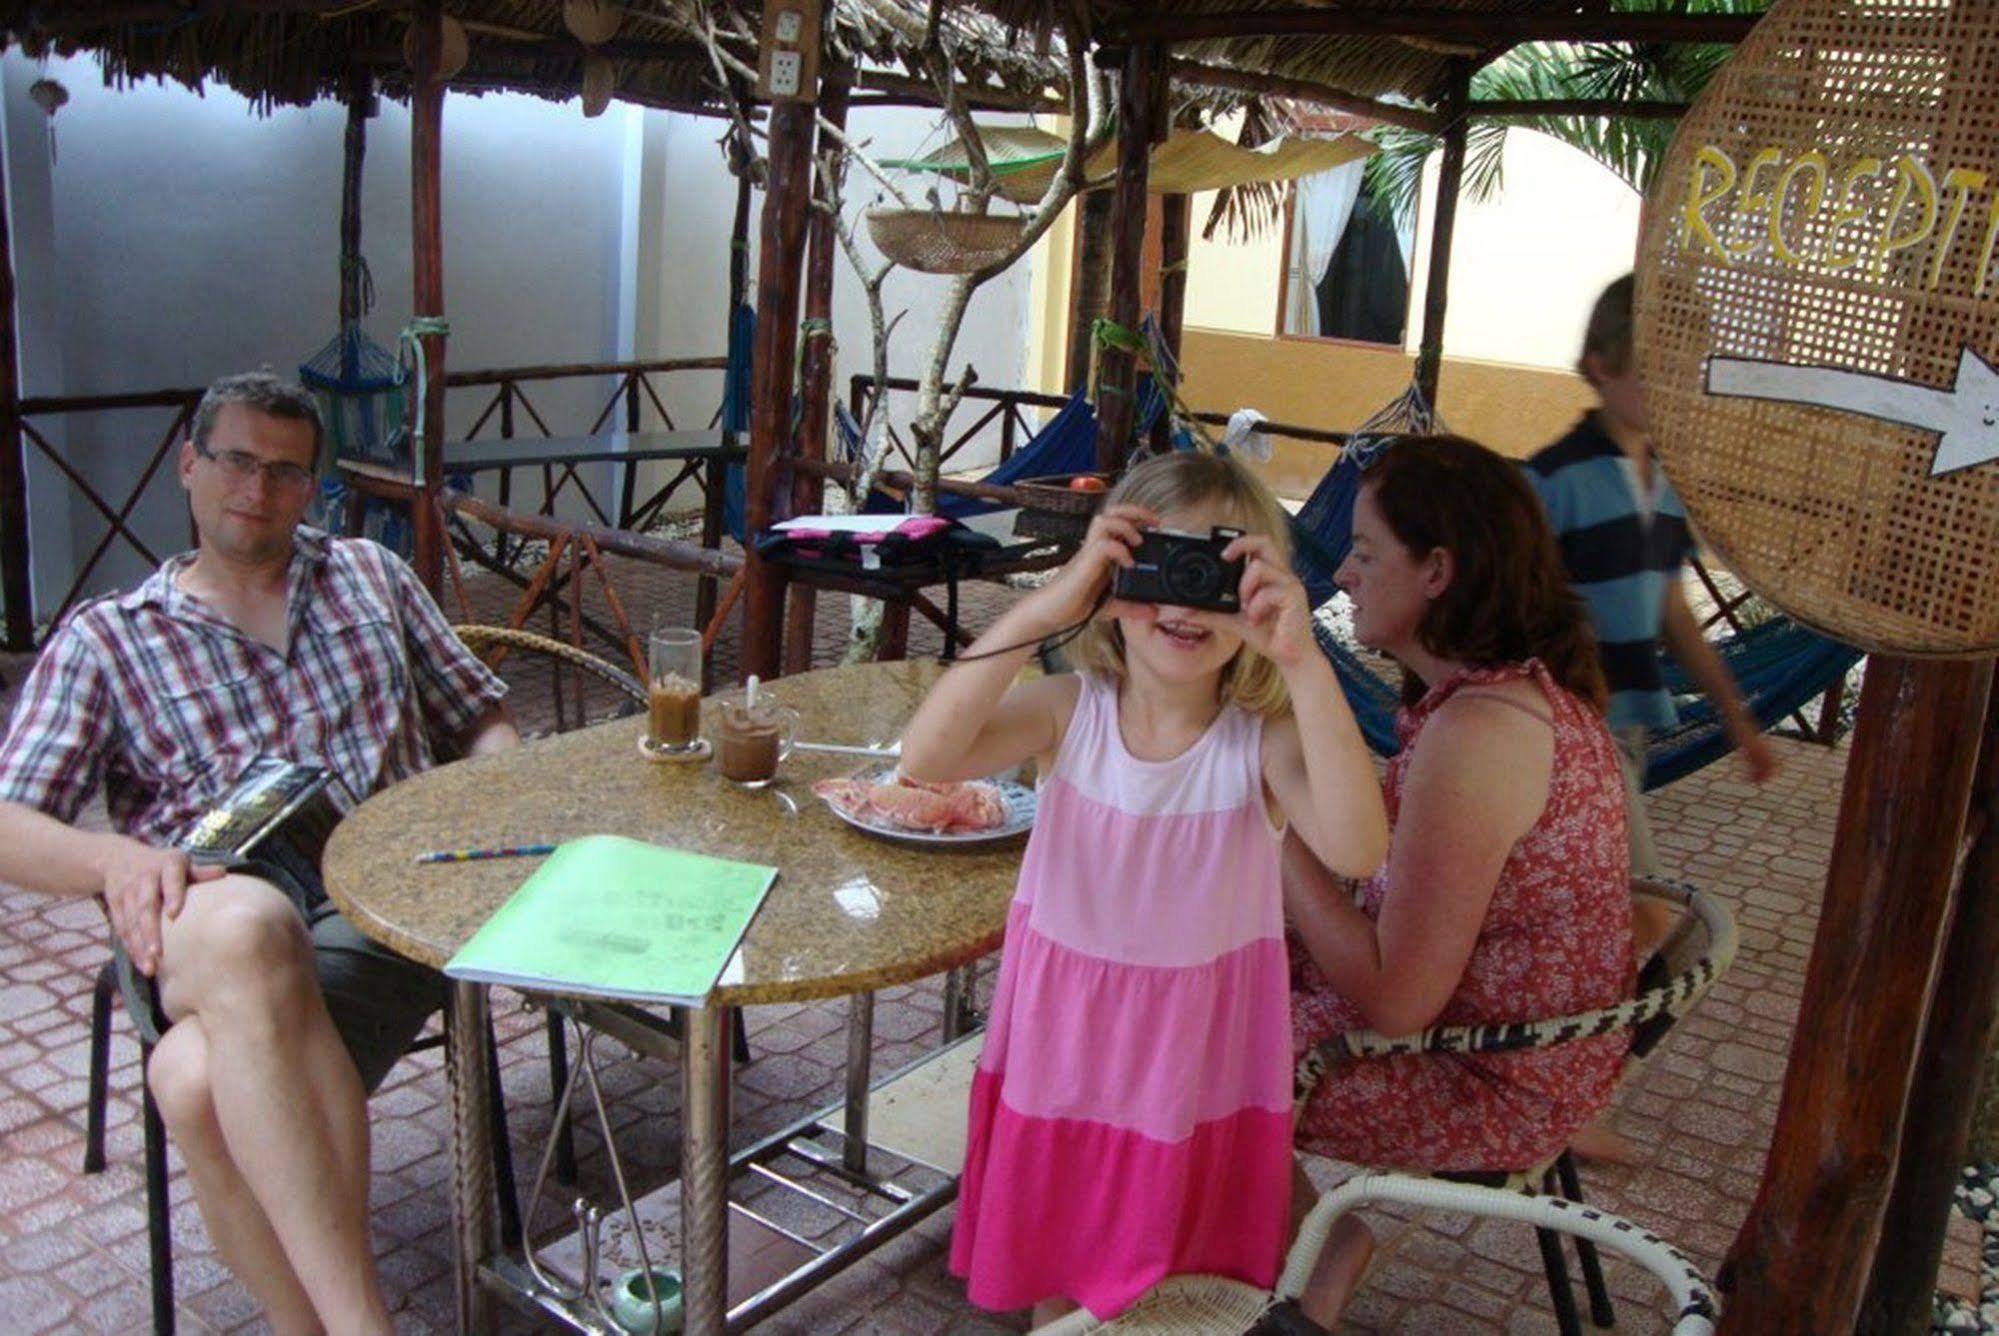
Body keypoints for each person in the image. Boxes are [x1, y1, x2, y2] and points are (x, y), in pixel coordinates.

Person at [0, 372, 517, 1336]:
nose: (259, 487)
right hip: (201, 914)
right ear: (190, 466)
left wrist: (484, 803)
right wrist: (115, 863)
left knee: (189, 1082)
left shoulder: (369, 574)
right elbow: (7, 823)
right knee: (248, 921)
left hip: (381, 911)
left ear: (311, 487)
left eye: (287, 471)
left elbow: (480, 720)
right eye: (237, 460)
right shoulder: (110, 639)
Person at [900, 451, 1388, 1326]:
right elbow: (925, 760)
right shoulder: (1066, 710)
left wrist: (1307, 664)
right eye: (1159, 563)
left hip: (1189, 1060)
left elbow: (1356, 848)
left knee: (1173, 1273)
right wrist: (1054, 598)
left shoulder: (1259, 741)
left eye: (1217, 571)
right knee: (1055, 1248)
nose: (1180, 598)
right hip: (1063, 1042)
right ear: (1112, 577)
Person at [1285, 435, 1634, 1325]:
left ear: (1436, 570)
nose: (1343, 574)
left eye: (1365, 552)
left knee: (1185, 1025)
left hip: (1483, 1079)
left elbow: (1396, 1003)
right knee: (1201, 965)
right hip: (1515, 1040)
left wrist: (1270, 839)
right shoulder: (1509, 697)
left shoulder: (1480, 736)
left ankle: (1305, 1253)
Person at [1525, 273, 1778, 881]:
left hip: (1629, 720)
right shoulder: (1553, 479)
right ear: (1600, 366)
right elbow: (1510, 607)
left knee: (1602, 894)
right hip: (1566, 722)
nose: (1672, 390)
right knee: (1642, 895)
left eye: (1684, 374)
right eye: (1653, 371)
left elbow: (1675, 614)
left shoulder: (1666, 485)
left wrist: (1738, 719)